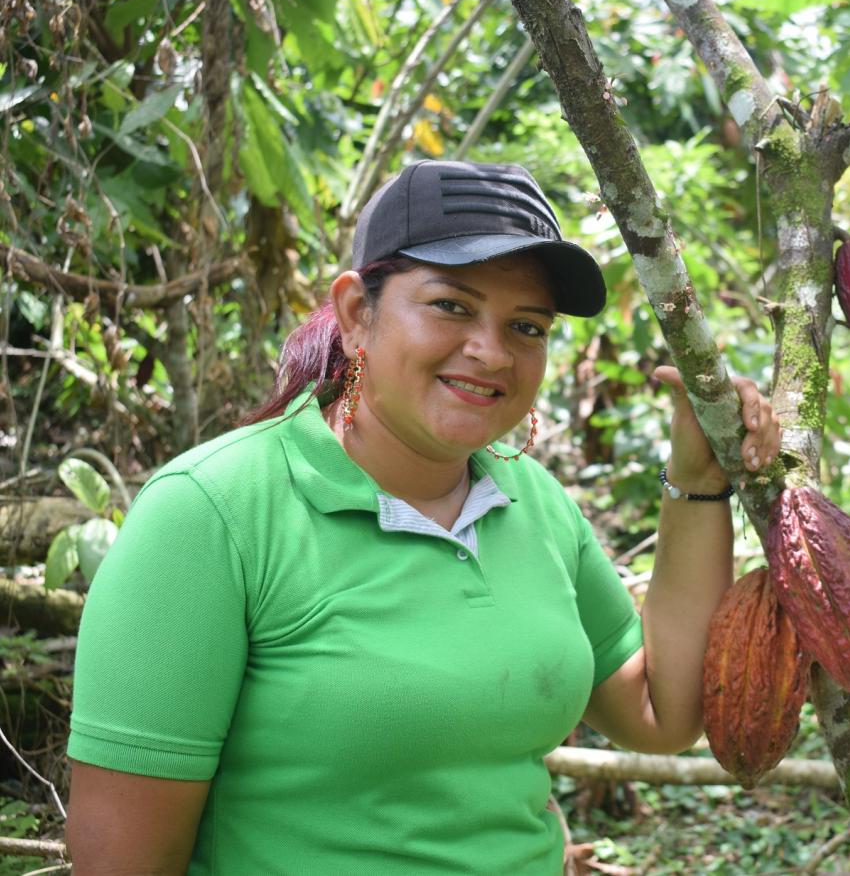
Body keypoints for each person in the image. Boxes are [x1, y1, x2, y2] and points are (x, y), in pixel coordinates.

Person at [64, 160, 781, 874]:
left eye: (526, 326)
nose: (491, 351)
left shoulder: (533, 504)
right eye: (452, 305)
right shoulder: (212, 513)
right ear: (355, 315)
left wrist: (695, 483)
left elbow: (663, 712)